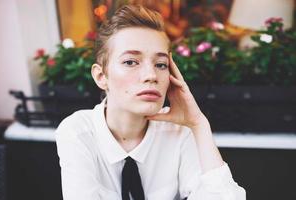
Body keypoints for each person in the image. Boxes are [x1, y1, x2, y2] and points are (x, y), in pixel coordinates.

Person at [55, 4, 246, 200]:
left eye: (161, 64)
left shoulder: (179, 132)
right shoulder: (78, 131)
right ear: (101, 76)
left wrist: (198, 124)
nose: (151, 75)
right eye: (130, 62)